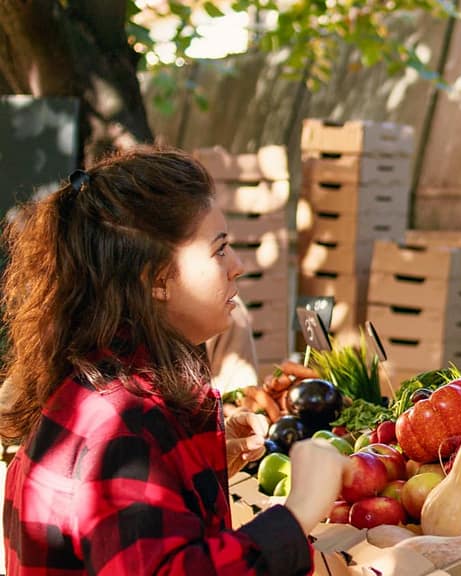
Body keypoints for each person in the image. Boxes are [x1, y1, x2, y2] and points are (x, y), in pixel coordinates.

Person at [0, 146, 345, 575]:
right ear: (156, 278)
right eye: (219, 250)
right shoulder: (121, 425)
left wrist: (194, 468)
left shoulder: (106, 389)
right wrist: (297, 515)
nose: (237, 266)